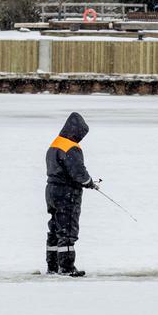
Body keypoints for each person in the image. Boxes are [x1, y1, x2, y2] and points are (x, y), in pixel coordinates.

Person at [45, 112, 99, 277]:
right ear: (77, 131)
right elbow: (78, 172)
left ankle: (52, 266)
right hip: (67, 193)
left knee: (54, 229)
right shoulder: (70, 147)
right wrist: (89, 182)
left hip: (51, 191)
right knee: (67, 230)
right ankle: (67, 267)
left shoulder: (55, 144)